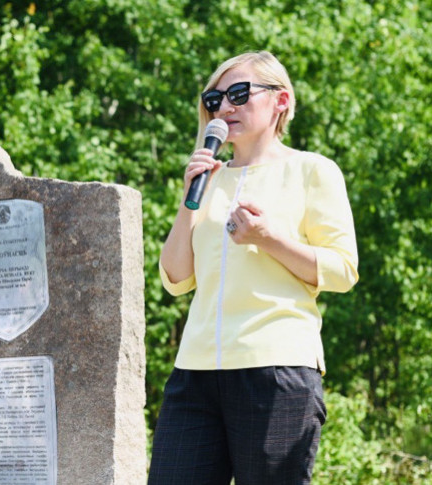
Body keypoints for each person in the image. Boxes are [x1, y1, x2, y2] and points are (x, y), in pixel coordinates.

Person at [148, 51, 359, 484]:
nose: (224, 108)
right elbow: (174, 278)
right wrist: (189, 199)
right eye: (214, 99)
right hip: (195, 372)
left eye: (239, 94)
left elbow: (342, 270)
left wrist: (269, 239)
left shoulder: (312, 170)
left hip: (277, 369)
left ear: (280, 100)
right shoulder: (208, 178)